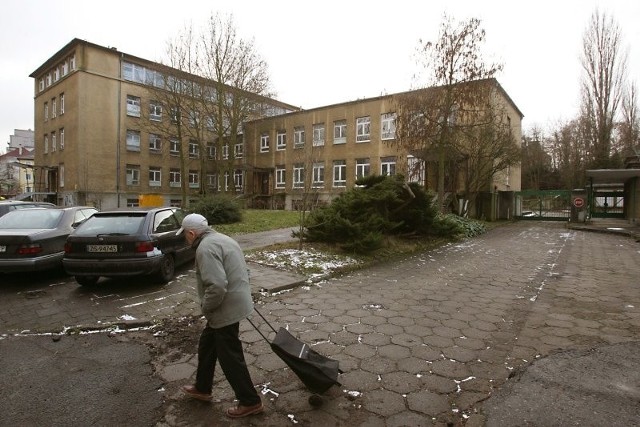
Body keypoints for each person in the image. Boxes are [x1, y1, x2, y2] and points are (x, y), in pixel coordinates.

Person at [178, 213, 263, 419]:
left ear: (191, 233)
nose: (185, 239)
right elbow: (245, 271)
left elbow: (216, 286)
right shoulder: (224, 239)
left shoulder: (205, 248)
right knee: (207, 345)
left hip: (224, 308)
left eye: (185, 235)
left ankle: (250, 401)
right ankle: (202, 388)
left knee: (230, 357)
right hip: (236, 301)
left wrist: (206, 308)